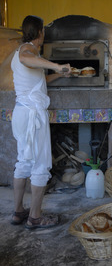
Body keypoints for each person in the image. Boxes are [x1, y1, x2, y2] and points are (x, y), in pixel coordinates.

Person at [10, 15, 71, 229]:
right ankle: (35, 217)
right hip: (32, 116)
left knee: (24, 162)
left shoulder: (24, 52)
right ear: (39, 32)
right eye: (43, 30)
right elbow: (27, 58)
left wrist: (61, 74)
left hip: (22, 113)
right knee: (40, 165)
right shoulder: (27, 50)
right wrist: (55, 65)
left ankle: (18, 212)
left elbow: (39, 80)